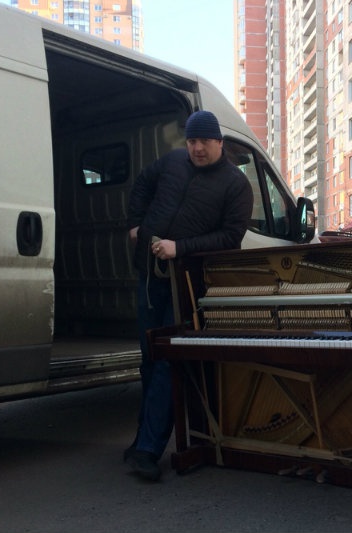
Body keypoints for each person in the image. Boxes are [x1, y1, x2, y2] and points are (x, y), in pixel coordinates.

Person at [124, 110, 254, 481]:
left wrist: (179, 247)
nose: (196, 148)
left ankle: (148, 450)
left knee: (167, 361)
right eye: (192, 141)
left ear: (219, 144)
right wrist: (136, 224)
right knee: (149, 359)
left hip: (187, 284)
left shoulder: (235, 184)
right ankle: (140, 442)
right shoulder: (171, 162)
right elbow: (142, 186)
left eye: (204, 142)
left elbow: (231, 237)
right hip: (150, 277)